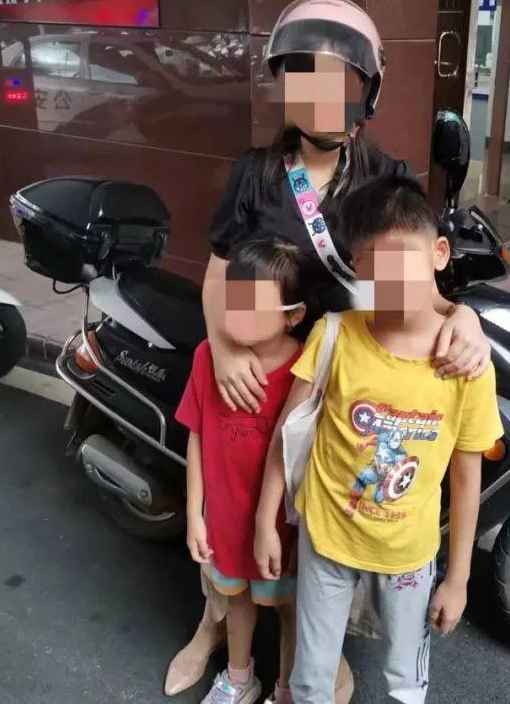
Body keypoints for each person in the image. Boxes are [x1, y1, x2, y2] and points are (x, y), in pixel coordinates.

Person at [163, 0, 492, 700]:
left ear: (365, 91)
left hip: (342, 377)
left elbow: (415, 273)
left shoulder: (387, 176)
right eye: (304, 78)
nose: (320, 96)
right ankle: (214, 623)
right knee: (235, 506)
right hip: (260, 365)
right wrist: (226, 348)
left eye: (338, 80)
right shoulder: (255, 172)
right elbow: (220, 273)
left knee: (320, 521)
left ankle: (310, 648)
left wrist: (462, 316)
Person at [254, 175, 502, 703]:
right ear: (358, 271)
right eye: (376, 272)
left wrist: (457, 578)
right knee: (310, 678)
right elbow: (287, 434)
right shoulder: (335, 336)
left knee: (405, 678)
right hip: (327, 540)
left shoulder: (465, 364)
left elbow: (466, 478)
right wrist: (265, 522)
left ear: (438, 253)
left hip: (409, 556)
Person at [177, 236, 308, 704]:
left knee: (290, 606)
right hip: (225, 519)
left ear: (294, 315)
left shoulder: (305, 371)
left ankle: (287, 688)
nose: (239, 314)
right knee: (236, 600)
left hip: (284, 526)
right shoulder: (207, 358)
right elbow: (197, 434)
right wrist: (196, 514)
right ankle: (238, 677)